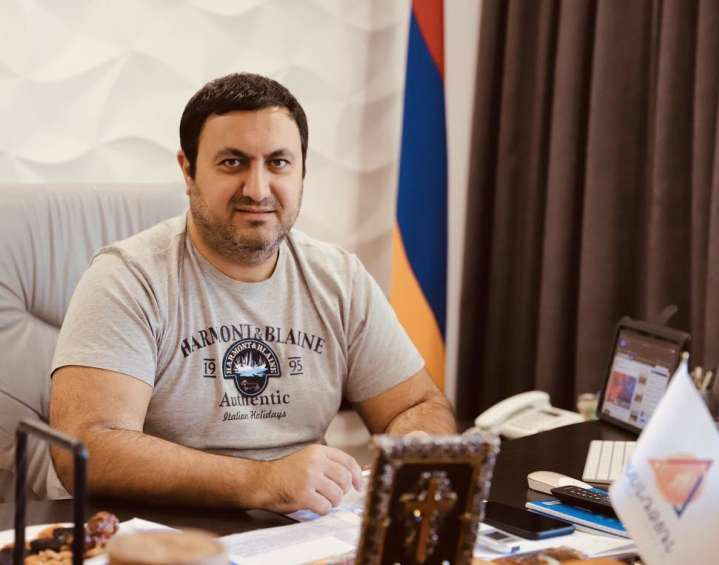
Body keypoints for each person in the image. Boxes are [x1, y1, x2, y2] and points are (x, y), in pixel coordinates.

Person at [49, 73, 456, 515]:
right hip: (169, 534)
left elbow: (417, 404)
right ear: (188, 170)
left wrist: (415, 445)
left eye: (278, 163)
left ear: (302, 171)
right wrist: (261, 481)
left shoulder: (340, 279)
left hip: (309, 532)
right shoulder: (129, 277)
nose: (258, 189)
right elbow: (85, 448)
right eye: (232, 162)